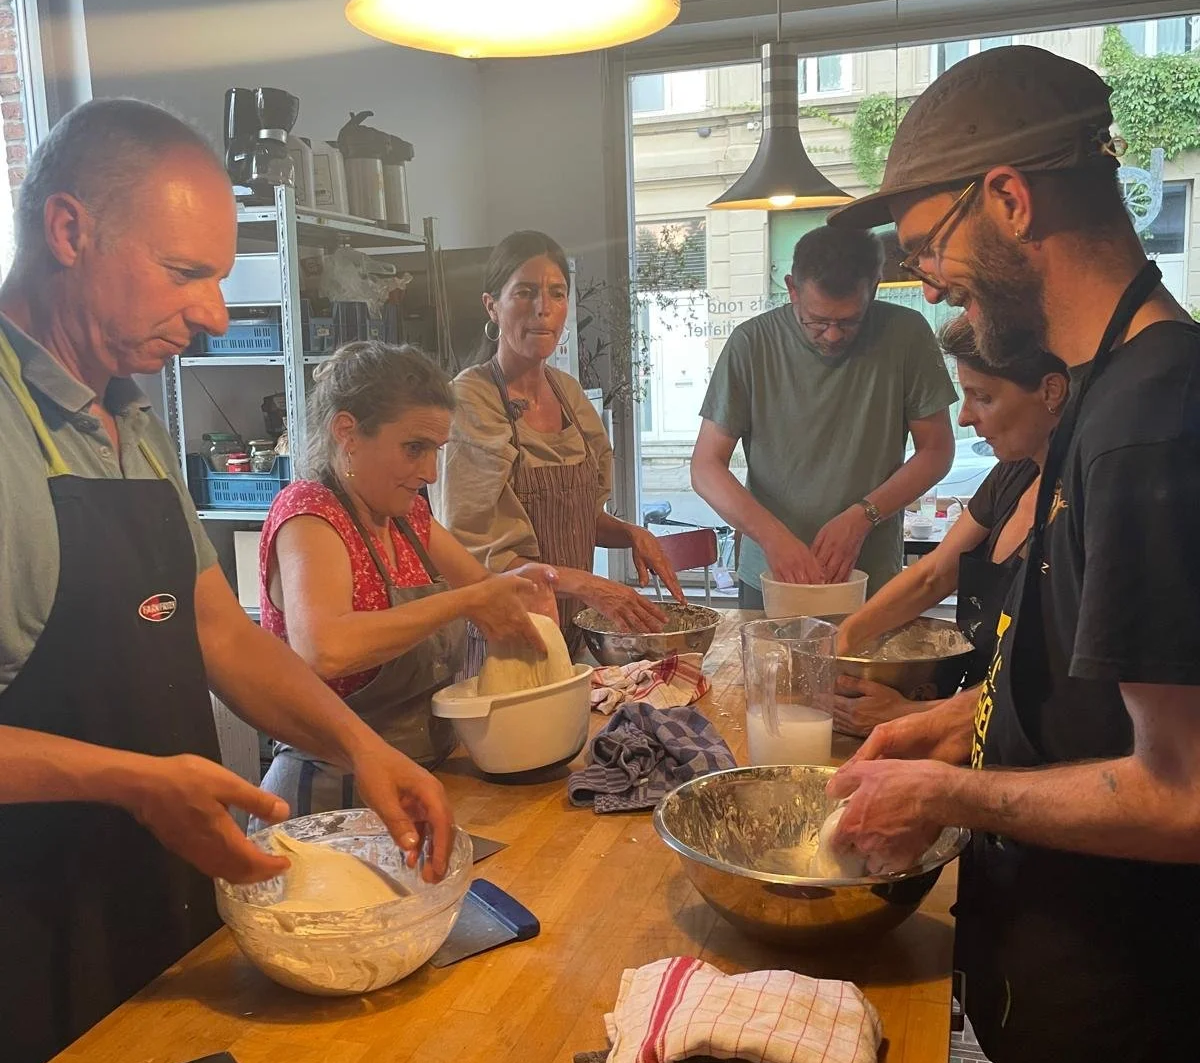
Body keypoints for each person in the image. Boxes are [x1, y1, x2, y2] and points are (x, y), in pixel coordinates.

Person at [826, 44, 1200, 1063]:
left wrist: (943, 786)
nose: (930, 281)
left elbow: (1186, 791)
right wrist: (957, 720)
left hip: (1127, 997)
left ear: (1010, 200)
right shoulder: (1107, 393)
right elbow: (1086, 706)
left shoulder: (1157, 417)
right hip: (1072, 982)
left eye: (930, 243)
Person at [0, 99, 451, 1063]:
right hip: (31, 955)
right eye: (186, 272)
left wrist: (358, 745)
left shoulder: (131, 416)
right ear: (69, 231)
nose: (213, 312)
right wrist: (131, 779)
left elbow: (221, 631)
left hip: (165, 927)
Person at [259, 339, 557, 809]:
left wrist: (525, 592)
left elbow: (484, 590)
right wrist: (462, 603)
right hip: (330, 799)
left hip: (421, 779)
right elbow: (324, 649)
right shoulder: (310, 514)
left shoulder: (408, 518)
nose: (431, 473)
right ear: (348, 433)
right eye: (414, 448)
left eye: (436, 450)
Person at [440, 230, 684, 651]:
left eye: (556, 293)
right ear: (492, 307)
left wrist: (629, 534)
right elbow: (473, 554)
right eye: (525, 293)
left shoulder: (569, 395)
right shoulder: (470, 401)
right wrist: (589, 584)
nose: (543, 309)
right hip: (502, 637)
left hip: (569, 632)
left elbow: (572, 519)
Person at [690, 225, 956, 603]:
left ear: (875, 287)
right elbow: (705, 466)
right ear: (792, 289)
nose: (832, 335)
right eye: (817, 321)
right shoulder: (751, 344)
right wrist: (771, 535)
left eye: (849, 321)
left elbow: (936, 451)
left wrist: (864, 516)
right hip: (771, 576)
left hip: (869, 576)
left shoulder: (906, 335)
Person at [833, 316, 1067, 735]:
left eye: (983, 397)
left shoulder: (1082, 509)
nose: (964, 418)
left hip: (1022, 749)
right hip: (967, 725)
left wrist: (906, 715)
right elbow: (934, 575)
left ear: (1051, 392)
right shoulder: (1013, 474)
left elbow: (1052, 686)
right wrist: (840, 643)